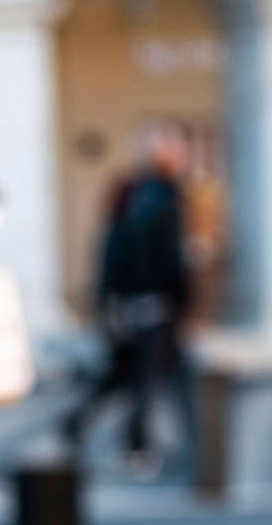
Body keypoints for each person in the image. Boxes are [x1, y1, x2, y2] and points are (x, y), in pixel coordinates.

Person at [68, 121, 194, 478]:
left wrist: (108, 298)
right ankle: (137, 447)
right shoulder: (159, 199)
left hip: (128, 302)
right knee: (142, 378)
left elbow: (111, 251)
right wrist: (183, 298)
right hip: (151, 304)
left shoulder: (133, 195)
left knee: (126, 374)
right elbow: (166, 256)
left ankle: (79, 423)